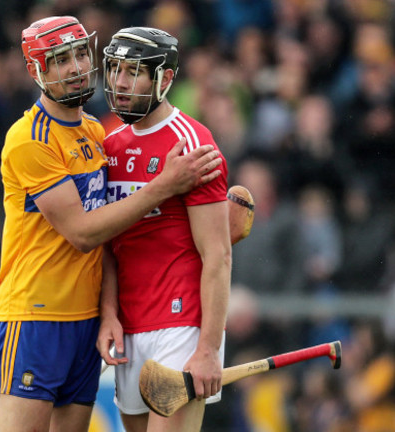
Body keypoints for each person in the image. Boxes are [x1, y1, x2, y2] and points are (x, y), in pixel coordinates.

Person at [0, 16, 222, 432]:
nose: (76, 68)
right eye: (59, 60)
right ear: (35, 70)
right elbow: (84, 233)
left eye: (79, 54)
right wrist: (164, 186)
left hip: (87, 322)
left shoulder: (97, 134)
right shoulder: (29, 139)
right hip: (32, 317)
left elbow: (127, 235)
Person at [96, 27, 232, 432]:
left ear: (165, 79)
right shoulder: (110, 146)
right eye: (116, 70)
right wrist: (108, 314)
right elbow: (106, 245)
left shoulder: (192, 143)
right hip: (129, 326)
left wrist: (208, 347)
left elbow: (218, 255)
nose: (120, 82)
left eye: (133, 72)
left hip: (182, 324)